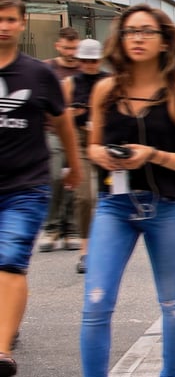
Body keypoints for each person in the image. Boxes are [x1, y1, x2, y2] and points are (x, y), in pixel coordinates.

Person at [77, 3, 175, 377]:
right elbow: (93, 146)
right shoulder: (106, 90)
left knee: (172, 303)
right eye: (131, 31)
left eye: (147, 31)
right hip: (115, 207)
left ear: (164, 40)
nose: (137, 38)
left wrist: (152, 154)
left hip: (166, 208)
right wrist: (103, 156)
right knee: (96, 305)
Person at [0, 0, 81, 377]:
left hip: (26, 186)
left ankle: (1, 353)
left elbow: (63, 123)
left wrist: (75, 164)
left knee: (11, 259)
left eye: (10, 19)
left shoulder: (38, 74)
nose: (3, 26)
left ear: (22, 23)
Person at [62, 39, 109, 274]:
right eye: (85, 60)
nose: (89, 65)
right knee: (85, 197)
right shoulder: (70, 83)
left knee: (110, 196)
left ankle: (108, 246)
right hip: (80, 141)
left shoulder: (109, 81)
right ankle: (86, 250)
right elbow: (59, 118)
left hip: (105, 141)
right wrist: (73, 113)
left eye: (93, 60)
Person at [39, 26, 82, 252]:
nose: (70, 53)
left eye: (74, 48)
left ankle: (72, 228)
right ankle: (52, 227)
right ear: (58, 46)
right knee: (55, 177)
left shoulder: (85, 70)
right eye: (66, 48)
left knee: (75, 180)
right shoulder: (47, 68)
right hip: (52, 131)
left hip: (79, 133)